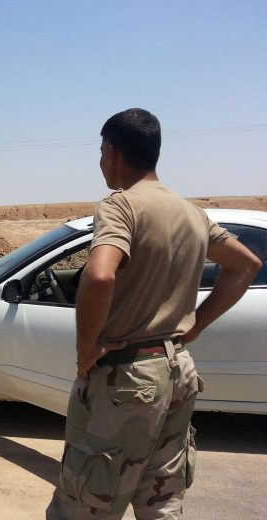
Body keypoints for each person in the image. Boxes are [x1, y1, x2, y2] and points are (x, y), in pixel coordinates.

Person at [45, 109, 261, 519]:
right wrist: (195, 325)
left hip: (127, 377)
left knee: (84, 502)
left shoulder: (121, 206)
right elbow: (246, 265)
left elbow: (100, 274)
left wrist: (86, 349)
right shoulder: (191, 213)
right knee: (161, 499)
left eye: (101, 151)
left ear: (112, 152)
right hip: (177, 368)